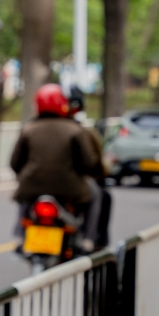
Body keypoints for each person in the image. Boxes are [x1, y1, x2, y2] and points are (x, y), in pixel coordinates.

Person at [10, 84, 102, 242]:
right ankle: (88, 238)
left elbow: (15, 163)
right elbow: (88, 163)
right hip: (71, 189)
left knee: (24, 194)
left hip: (32, 186)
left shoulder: (28, 129)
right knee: (96, 194)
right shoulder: (75, 130)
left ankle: (20, 233)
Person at [67, 86, 112, 250]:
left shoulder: (32, 127)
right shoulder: (83, 132)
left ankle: (20, 235)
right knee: (99, 196)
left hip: (39, 182)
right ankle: (90, 238)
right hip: (74, 183)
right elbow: (92, 162)